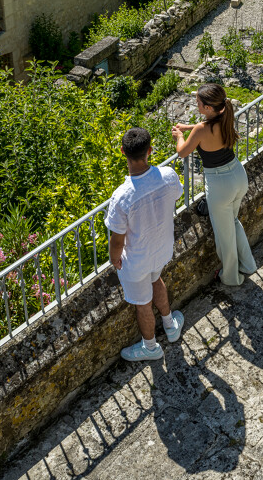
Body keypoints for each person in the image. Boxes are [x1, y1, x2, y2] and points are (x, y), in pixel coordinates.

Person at [105, 127, 185, 362]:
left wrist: (114, 259)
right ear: (150, 150)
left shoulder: (121, 196)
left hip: (137, 260)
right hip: (161, 249)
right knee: (156, 279)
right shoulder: (168, 175)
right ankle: (170, 325)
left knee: (142, 304)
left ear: (122, 152)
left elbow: (117, 239)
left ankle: (150, 348)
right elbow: (177, 195)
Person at [172, 83, 257, 287]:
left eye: (199, 103)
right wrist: (190, 128)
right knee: (234, 222)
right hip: (238, 175)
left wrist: (180, 136)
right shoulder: (225, 116)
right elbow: (205, 128)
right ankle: (247, 264)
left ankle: (231, 277)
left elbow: (183, 152)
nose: (197, 105)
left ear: (208, 108)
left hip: (220, 185)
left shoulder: (203, 128)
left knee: (224, 236)